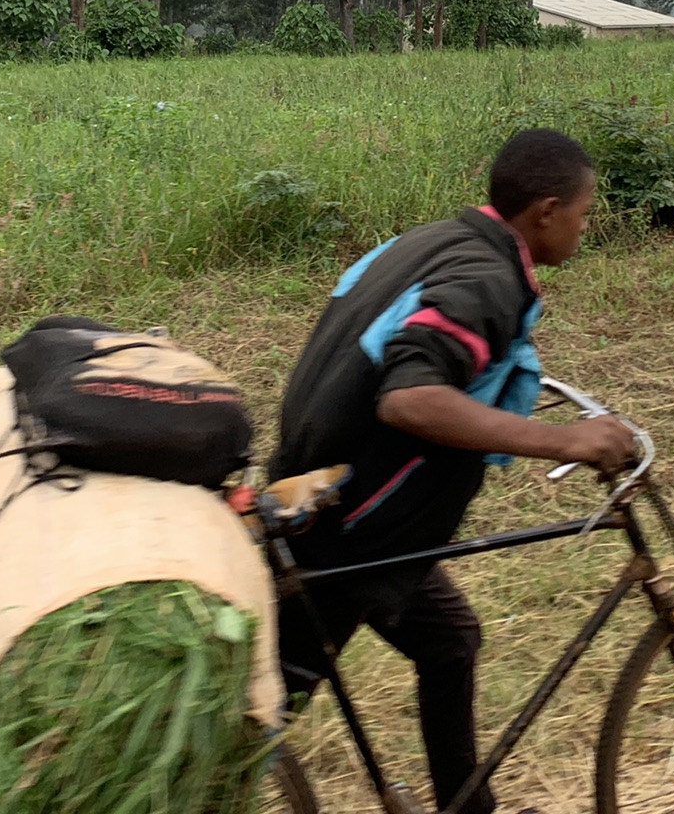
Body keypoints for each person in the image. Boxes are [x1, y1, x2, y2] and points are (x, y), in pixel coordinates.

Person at [270, 128, 636, 814]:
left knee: (450, 642)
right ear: (547, 211)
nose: (587, 230)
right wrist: (563, 441)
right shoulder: (487, 279)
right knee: (264, 712)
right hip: (352, 521)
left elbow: (407, 345)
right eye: (586, 214)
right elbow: (410, 397)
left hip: (317, 485)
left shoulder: (439, 241)